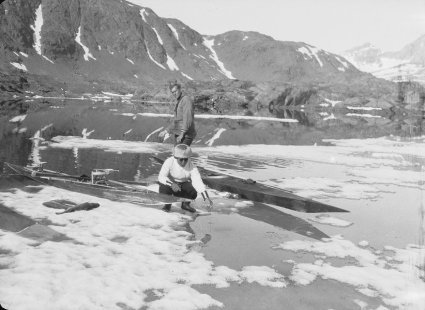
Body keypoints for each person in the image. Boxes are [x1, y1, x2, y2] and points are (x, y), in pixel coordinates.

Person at [158, 144, 213, 213]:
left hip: (183, 186)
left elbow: (198, 182)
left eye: (186, 159)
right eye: (181, 160)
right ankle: (167, 205)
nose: (183, 162)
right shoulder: (169, 161)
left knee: (193, 188)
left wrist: (206, 198)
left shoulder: (192, 166)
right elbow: (161, 177)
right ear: (176, 157)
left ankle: (185, 204)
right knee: (163, 187)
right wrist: (171, 184)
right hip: (171, 184)